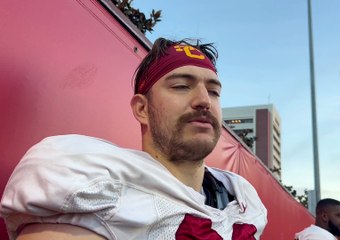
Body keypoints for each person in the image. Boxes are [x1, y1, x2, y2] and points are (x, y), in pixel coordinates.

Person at [0, 38, 267, 239]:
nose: (203, 101)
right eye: (181, 86)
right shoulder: (94, 187)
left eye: (213, 91)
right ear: (142, 109)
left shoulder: (242, 200)